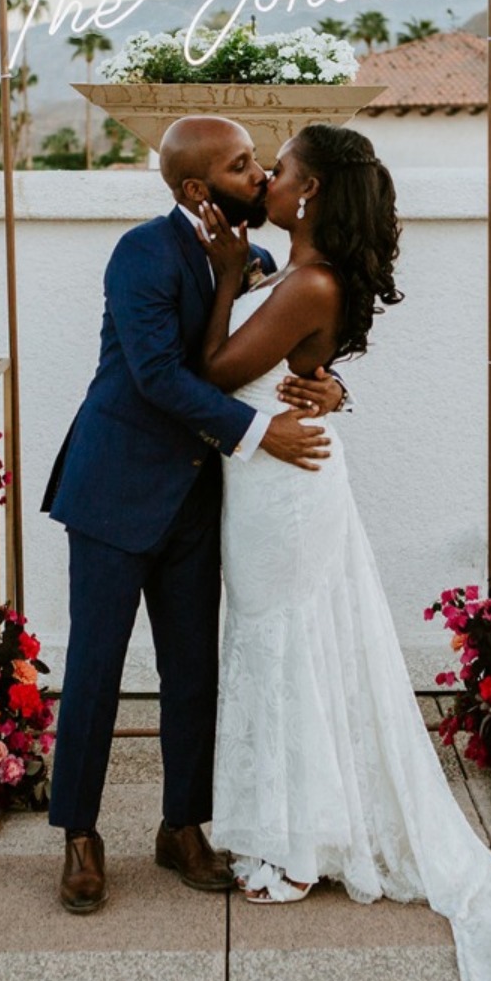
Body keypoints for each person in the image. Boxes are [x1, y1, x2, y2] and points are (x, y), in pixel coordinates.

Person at [195, 123, 491, 981]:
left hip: (285, 490)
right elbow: (283, 369)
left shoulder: (305, 281)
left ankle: (296, 839)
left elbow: (209, 372)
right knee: (283, 643)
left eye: (278, 171)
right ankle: (295, 821)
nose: (266, 181)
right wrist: (251, 285)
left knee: (282, 646)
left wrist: (219, 277)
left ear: (310, 191)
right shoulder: (291, 275)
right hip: (276, 476)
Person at [41, 115, 345, 914]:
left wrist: (333, 387)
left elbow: (294, 341)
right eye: (246, 165)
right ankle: (79, 834)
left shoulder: (258, 258)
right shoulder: (140, 253)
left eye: (262, 162)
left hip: (201, 498)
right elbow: (155, 377)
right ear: (196, 189)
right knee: (96, 671)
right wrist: (259, 433)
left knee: (193, 674)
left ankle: (182, 827)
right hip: (113, 488)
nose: (263, 175)